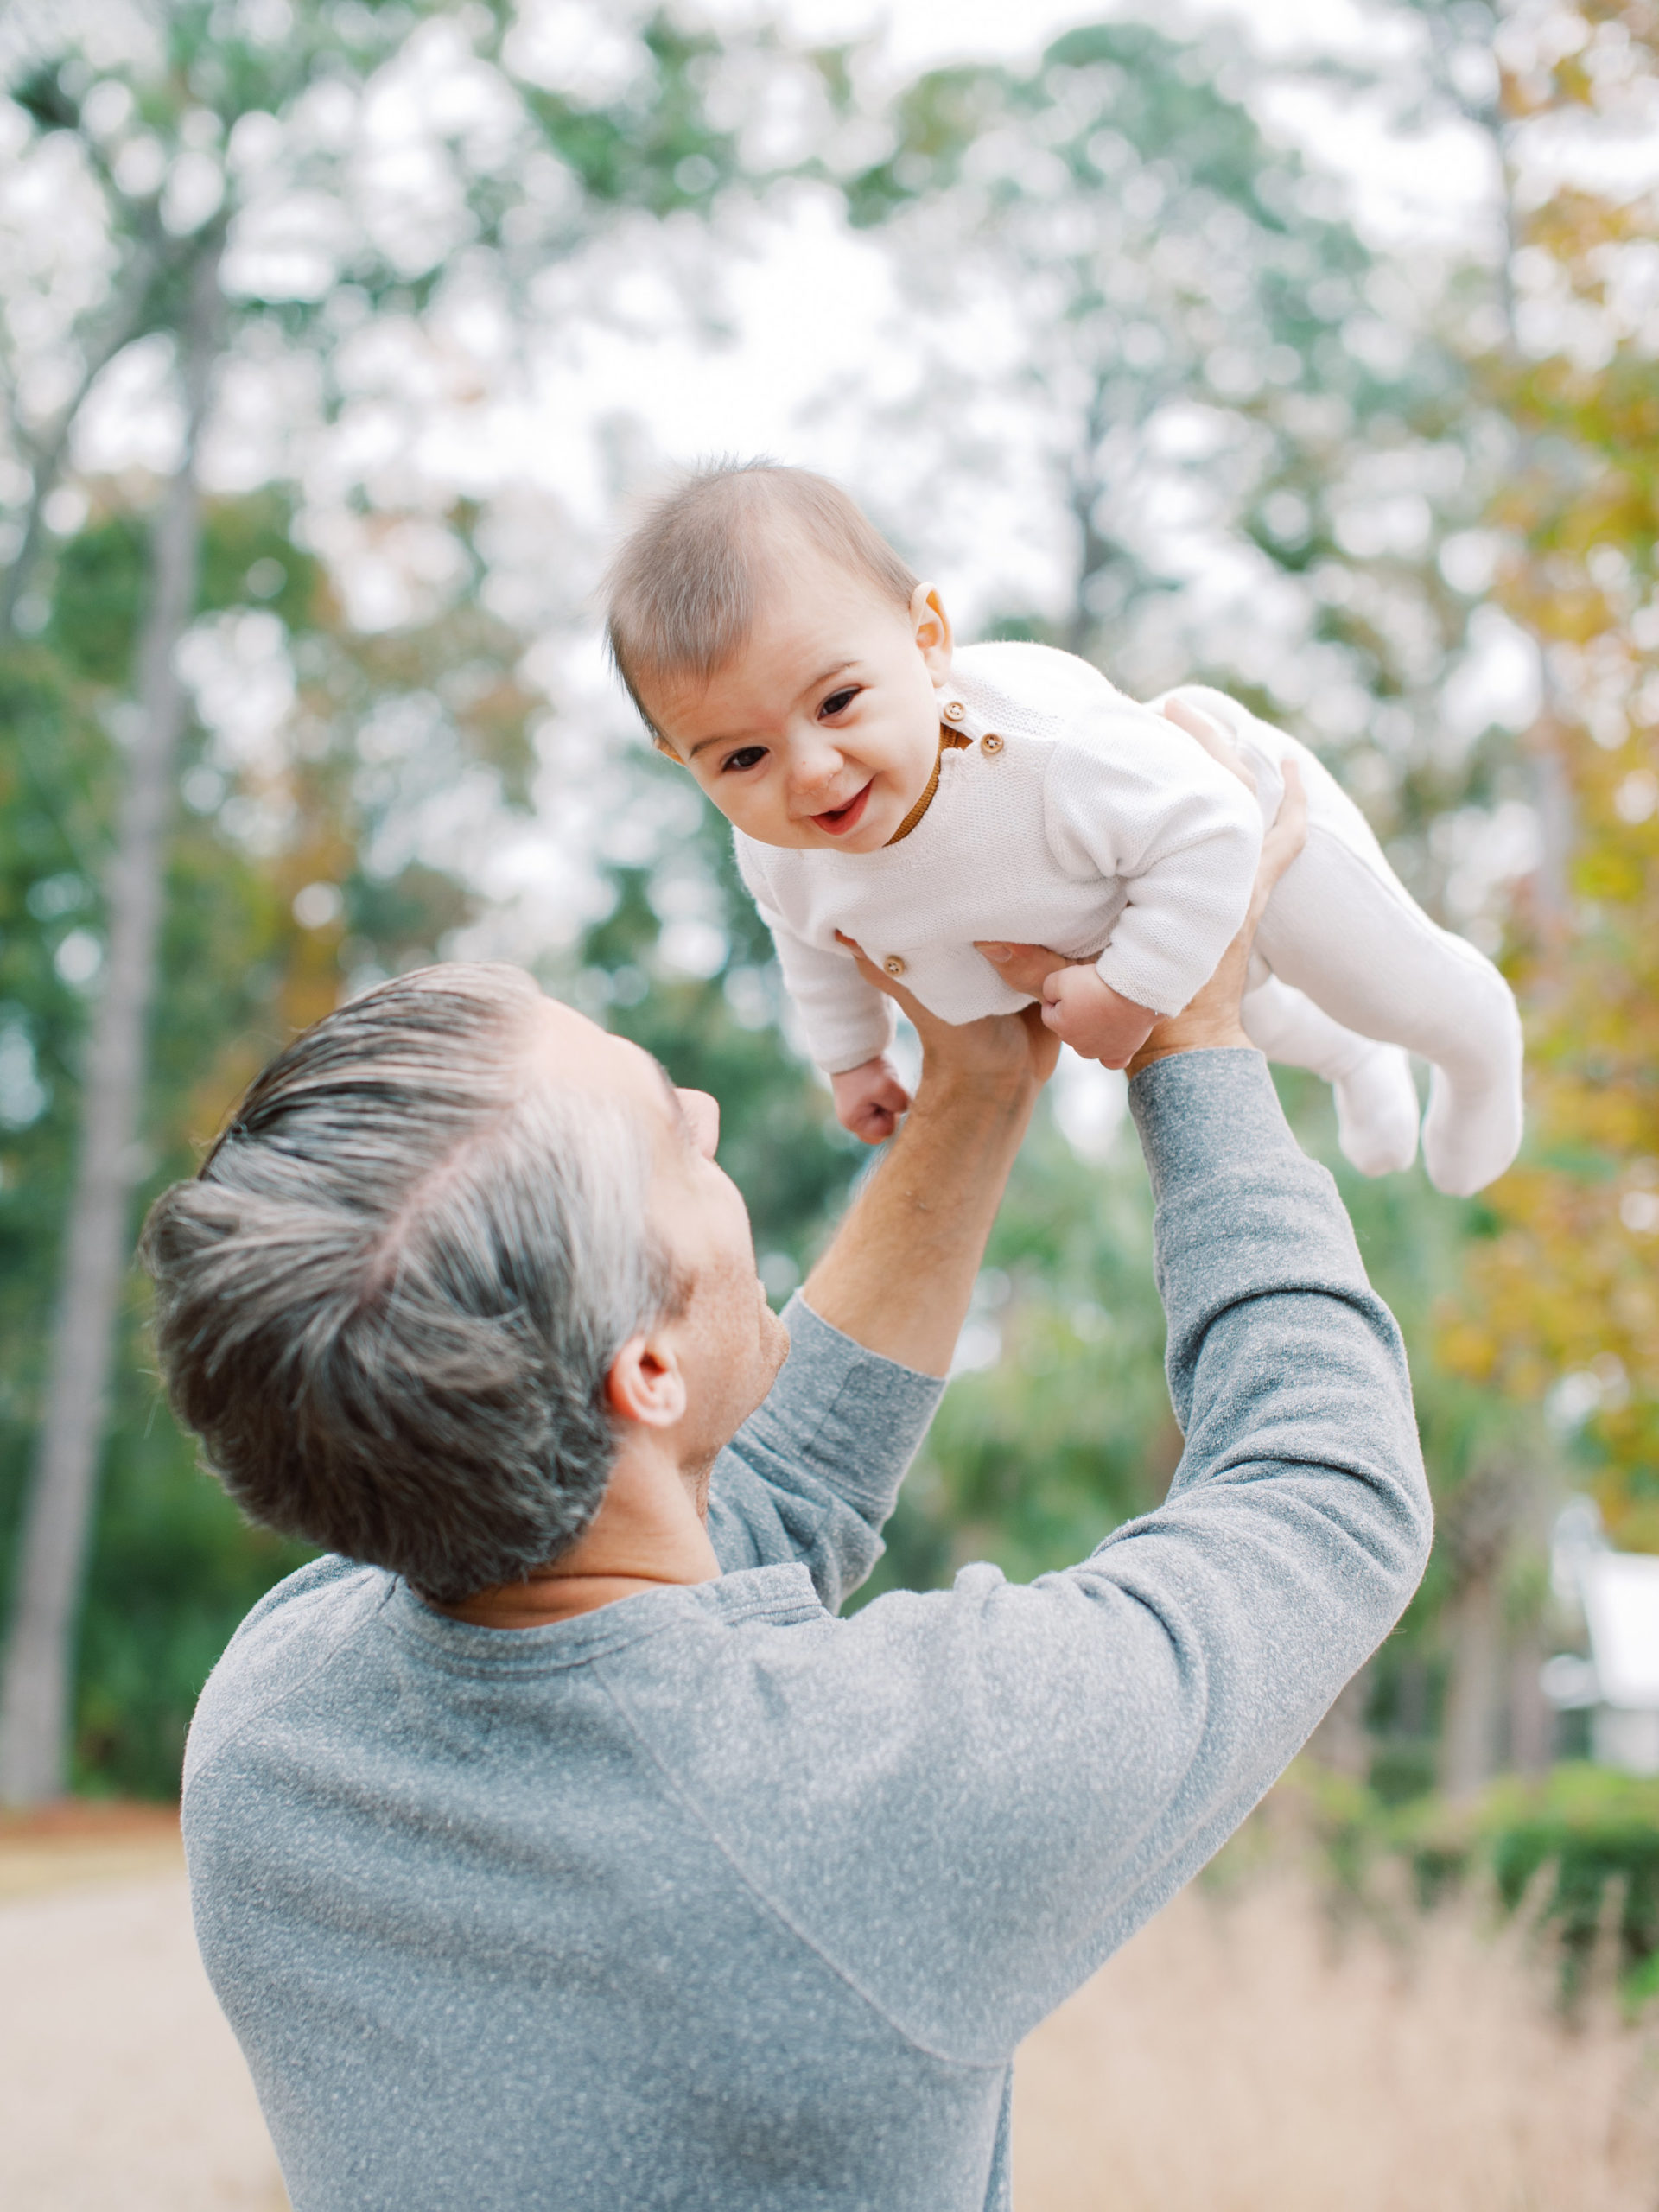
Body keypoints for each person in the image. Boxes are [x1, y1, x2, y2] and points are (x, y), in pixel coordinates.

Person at [142, 769, 1431, 2212]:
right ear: (641, 1369)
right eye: (671, 1138)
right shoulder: (869, 1808)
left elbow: (709, 1526)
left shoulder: (274, 1734)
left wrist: (979, 1090)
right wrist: (1195, 1035)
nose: (700, 1104)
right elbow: (1327, 1489)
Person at [604, 459, 1523, 1197]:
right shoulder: (777, 851)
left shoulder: (1047, 755)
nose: (807, 771)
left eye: (838, 701)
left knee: (1380, 982)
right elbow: (810, 939)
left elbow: (1211, 834)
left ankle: (1479, 1048)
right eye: (740, 759)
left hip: (1214, 819)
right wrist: (854, 1056)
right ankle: (1356, 1063)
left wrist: (1127, 992)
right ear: (682, 760)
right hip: (1125, 918)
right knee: (1262, 1016)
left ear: (927, 643)